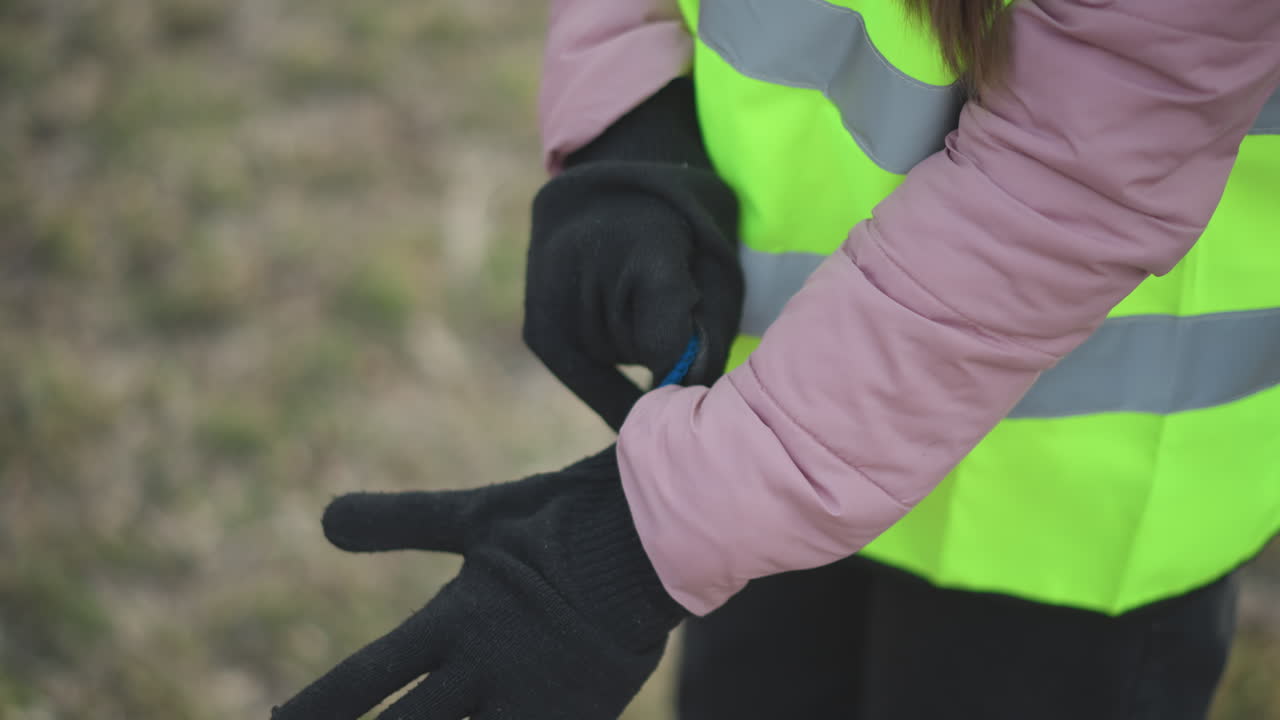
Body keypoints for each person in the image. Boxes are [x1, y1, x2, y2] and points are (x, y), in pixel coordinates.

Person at [273, 1, 1280, 718]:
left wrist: (646, 535)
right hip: (763, 436)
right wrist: (626, 113)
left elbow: (1075, 173)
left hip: (1063, 526)